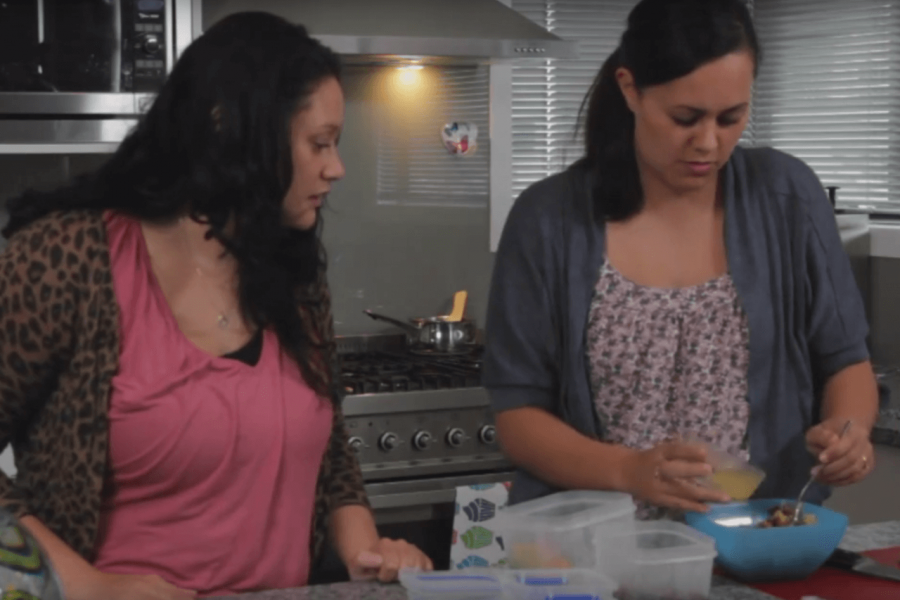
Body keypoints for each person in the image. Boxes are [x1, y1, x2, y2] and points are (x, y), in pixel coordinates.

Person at [0, 11, 431, 600]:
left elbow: (327, 448)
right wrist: (91, 587)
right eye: (319, 143)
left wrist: (363, 549)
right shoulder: (68, 258)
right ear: (229, 128)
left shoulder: (292, 270)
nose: (337, 167)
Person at [484, 0, 878, 519]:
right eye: (685, 118)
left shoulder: (788, 198)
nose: (709, 143)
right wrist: (628, 471)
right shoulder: (548, 220)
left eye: (731, 117)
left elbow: (846, 361)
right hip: (596, 555)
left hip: (758, 543)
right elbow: (518, 415)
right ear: (630, 89)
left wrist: (849, 433)